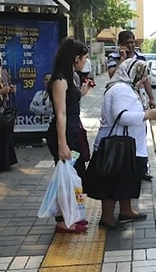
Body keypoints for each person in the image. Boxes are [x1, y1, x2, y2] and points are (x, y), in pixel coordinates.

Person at [84, 58, 156, 231]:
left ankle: (126, 211)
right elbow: (122, 116)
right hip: (118, 146)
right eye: (142, 78)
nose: (144, 82)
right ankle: (107, 218)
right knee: (113, 183)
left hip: (127, 146)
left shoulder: (127, 88)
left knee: (124, 181)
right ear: (133, 73)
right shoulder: (121, 89)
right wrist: (147, 114)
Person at [46, 38, 92, 233]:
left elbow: (70, 105)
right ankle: (63, 221)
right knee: (66, 179)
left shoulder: (69, 77)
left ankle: (72, 215)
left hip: (73, 132)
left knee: (75, 176)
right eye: (84, 58)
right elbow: (60, 113)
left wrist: (82, 92)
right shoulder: (60, 80)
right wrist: (62, 143)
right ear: (76, 58)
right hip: (65, 136)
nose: (85, 62)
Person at [107, 30, 155, 181]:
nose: (131, 45)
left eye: (132, 42)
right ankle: (123, 162)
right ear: (120, 44)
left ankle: (142, 166)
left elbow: (145, 78)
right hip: (124, 95)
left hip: (138, 98)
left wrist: (151, 98)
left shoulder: (140, 58)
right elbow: (113, 75)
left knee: (141, 131)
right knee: (125, 130)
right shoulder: (113, 57)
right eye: (127, 43)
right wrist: (122, 58)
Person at [0, 55, 18, 171]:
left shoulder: (4, 73)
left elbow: (8, 85)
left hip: (2, 106)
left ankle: (6, 161)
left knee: (5, 134)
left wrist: (11, 89)